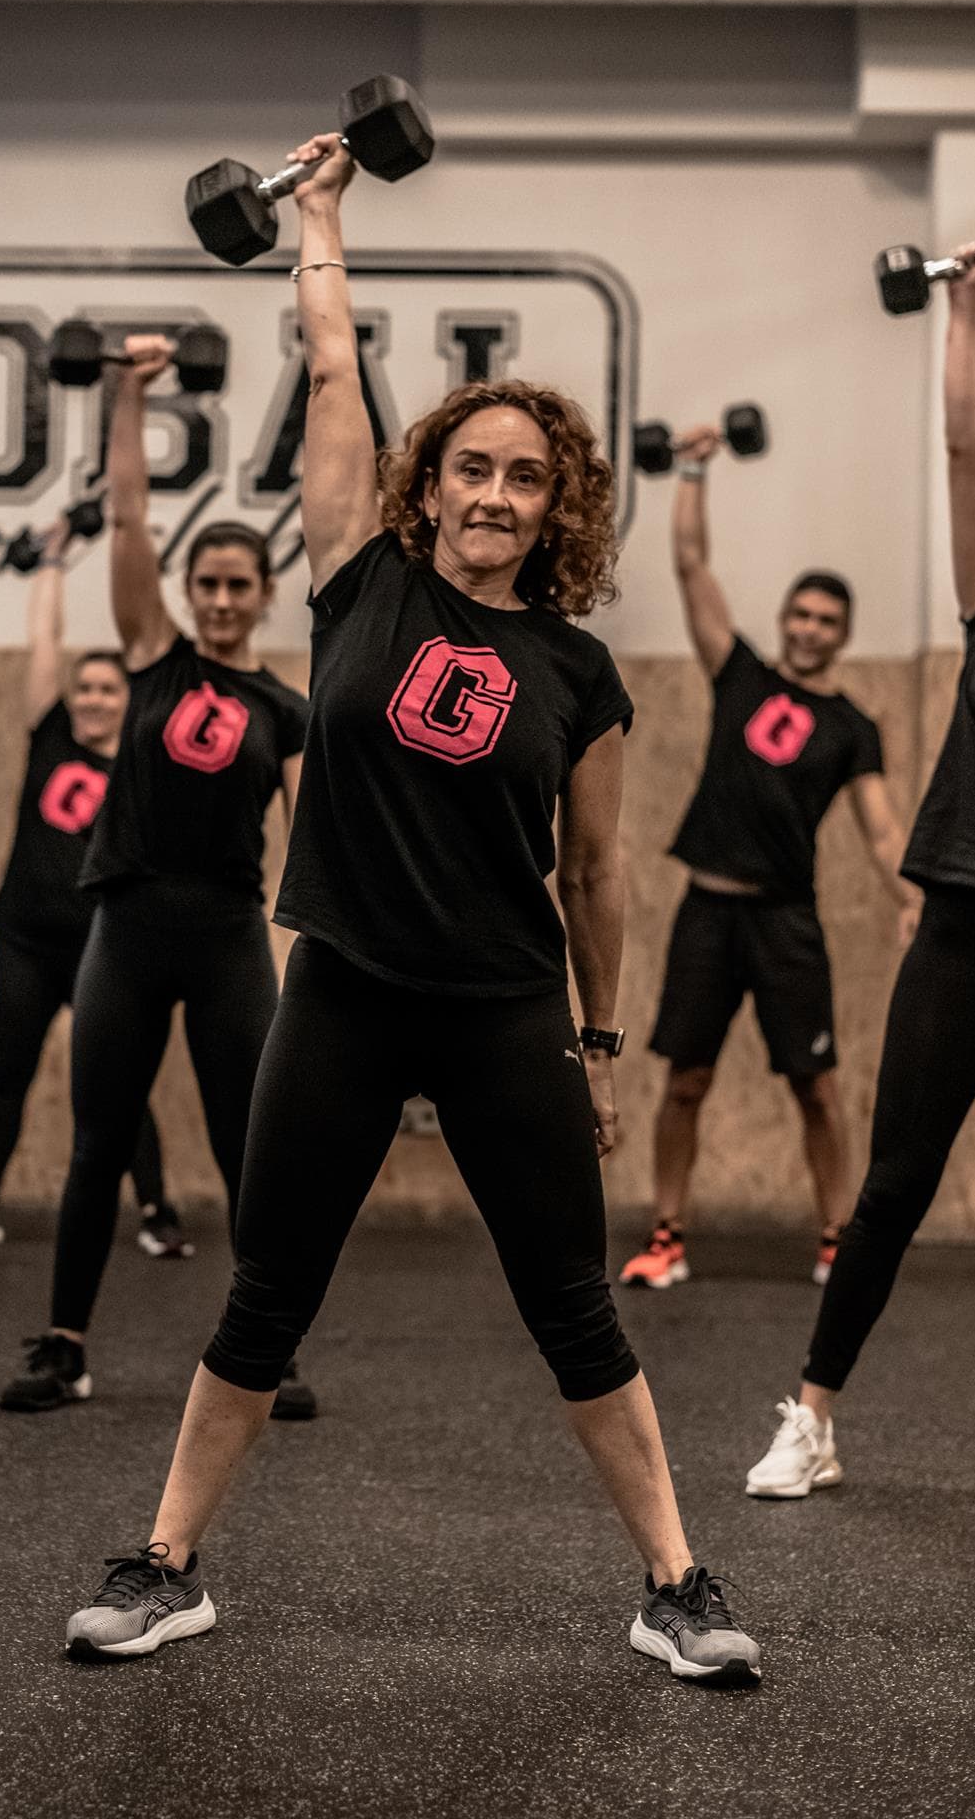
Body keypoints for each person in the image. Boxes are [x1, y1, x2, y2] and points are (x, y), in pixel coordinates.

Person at [59, 132, 761, 1685]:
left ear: (553, 502)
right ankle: (166, 1563)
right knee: (266, 1289)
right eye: (470, 467)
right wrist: (318, 218)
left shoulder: (579, 674)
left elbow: (590, 873)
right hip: (348, 993)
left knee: (572, 1309)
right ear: (427, 483)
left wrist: (594, 1034)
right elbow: (328, 376)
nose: (493, 492)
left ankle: (677, 1584)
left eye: (523, 475)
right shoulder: (354, 580)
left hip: (508, 1006)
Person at [746, 241, 975, 1500]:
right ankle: (811, 1416)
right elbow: (963, 454)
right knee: (895, 1186)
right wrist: (963, 309)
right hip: (968, 931)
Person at [0, 339, 310, 1418]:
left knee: (245, 1152)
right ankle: (66, 1345)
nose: (223, 600)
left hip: (227, 938)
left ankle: (266, 1352)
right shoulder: (151, 653)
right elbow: (129, 518)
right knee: (97, 1146)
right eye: (209, 584)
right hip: (125, 929)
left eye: (240, 586)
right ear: (189, 592)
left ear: (266, 596)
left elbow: (312, 837)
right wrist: (131, 393)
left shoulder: (285, 712)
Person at [620, 436, 921, 1292]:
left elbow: (882, 827)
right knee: (685, 1081)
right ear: (785, 618)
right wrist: (691, 470)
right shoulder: (740, 674)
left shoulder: (853, 725)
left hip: (787, 919)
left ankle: (838, 1239)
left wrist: (909, 897)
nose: (810, 629)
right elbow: (688, 564)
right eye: (802, 614)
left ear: (844, 635)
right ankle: (667, 1236)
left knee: (816, 1087)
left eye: (827, 621)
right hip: (706, 913)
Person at [0, 512, 182, 1258]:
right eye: (87, 689)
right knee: (7, 1074)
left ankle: (158, 1215)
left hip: (107, 948)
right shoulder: (51, 736)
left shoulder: (141, 762)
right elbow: (45, 643)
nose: (96, 699)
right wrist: (54, 559)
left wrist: (145, 556)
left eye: (110, 689)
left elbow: (161, 655)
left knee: (121, 1083)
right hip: (27, 941)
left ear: (129, 700)